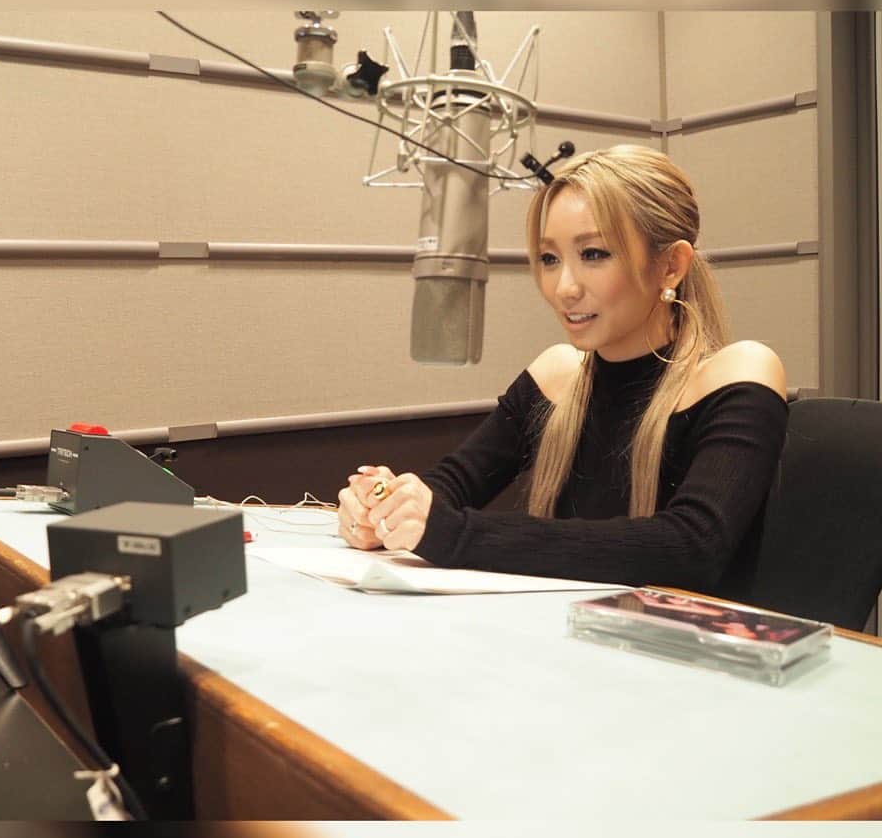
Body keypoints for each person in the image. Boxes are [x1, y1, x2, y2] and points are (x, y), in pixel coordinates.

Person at [337, 145, 789, 601]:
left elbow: (691, 547)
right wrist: (384, 509)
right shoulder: (557, 376)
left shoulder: (740, 373)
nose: (564, 288)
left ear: (671, 265)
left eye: (593, 254)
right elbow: (450, 487)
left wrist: (451, 533)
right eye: (550, 259)